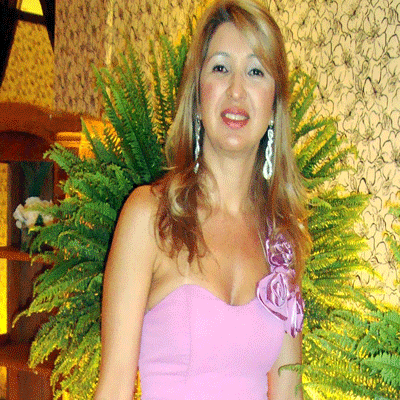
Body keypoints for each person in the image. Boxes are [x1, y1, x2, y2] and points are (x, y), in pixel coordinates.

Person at [94, 0, 311, 399]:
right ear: (197, 95)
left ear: (274, 106)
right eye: (221, 68)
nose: (236, 90)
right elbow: (114, 388)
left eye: (256, 71)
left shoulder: (281, 241)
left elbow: (289, 392)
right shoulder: (150, 217)